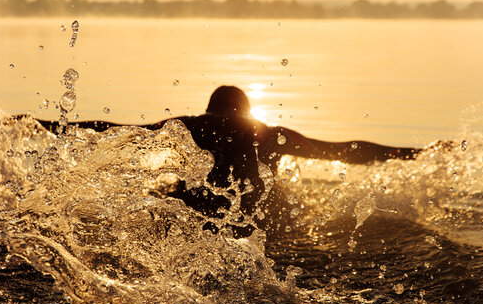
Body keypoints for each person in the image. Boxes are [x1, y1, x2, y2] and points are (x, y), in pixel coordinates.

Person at [37, 86, 421, 238]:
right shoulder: (269, 135)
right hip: (262, 223)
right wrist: (412, 154)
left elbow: (113, 130)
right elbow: (345, 150)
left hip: (206, 215)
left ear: (211, 111)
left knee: (170, 191)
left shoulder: (193, 128)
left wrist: (46, 125)